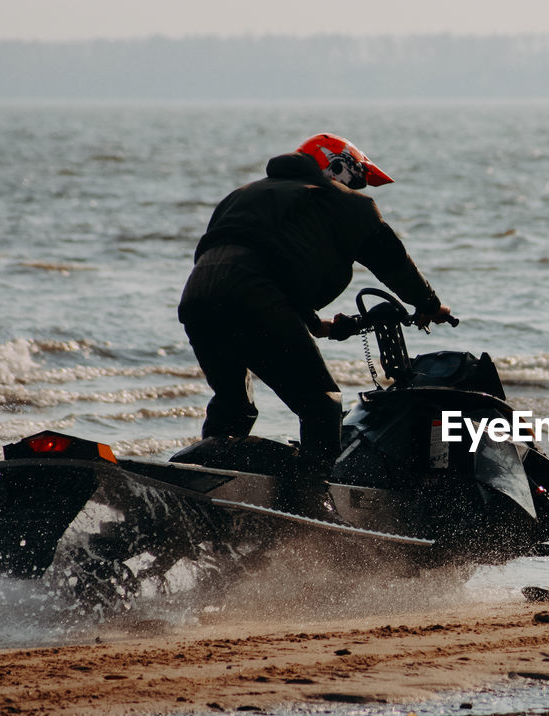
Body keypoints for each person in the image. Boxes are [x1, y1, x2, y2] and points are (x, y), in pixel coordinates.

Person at [178, 133, 451, 469]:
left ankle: (205, 481)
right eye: (357, 179)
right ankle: (313, 504)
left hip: (199, 296)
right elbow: (391, 262)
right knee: (321, 405)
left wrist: (308, 321)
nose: (359, 189)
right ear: (335, 167)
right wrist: (429, 304)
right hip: (253, 294)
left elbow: (264, 256)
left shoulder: (244, 194)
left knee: (233, 404)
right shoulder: (340, 201)